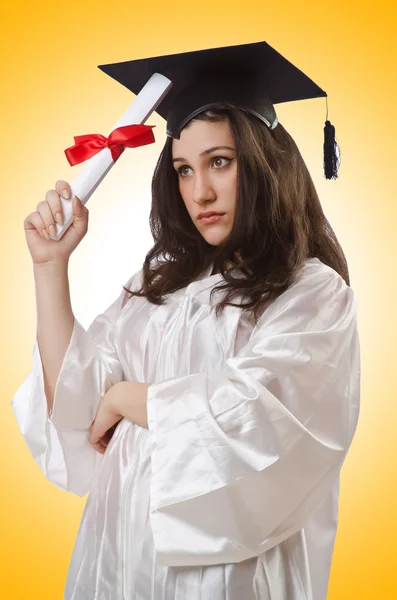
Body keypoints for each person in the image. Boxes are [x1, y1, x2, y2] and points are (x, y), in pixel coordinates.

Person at [11, 42, 360, 600]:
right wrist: (50, 268)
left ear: (263, 164)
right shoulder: (158, 286)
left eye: (220, 161)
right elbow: (76, 407)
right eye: (183, 169)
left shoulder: (311, 291)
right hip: (119, 551)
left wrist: (127, 398)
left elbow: (257, 417)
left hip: (228, 568)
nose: (200, 191)